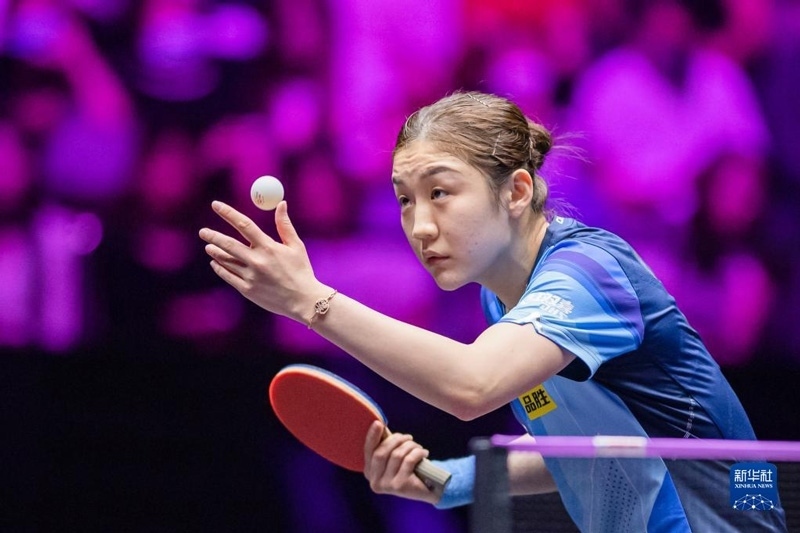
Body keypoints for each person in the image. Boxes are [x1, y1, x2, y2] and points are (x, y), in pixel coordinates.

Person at [198, 91, 787, 532]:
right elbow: (582, 446)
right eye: (405, 199)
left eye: (440, 193)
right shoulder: (501, 298)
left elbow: (471, 386)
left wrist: (309, 301)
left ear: (517, 192)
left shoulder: (589, 275)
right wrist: (448, 481)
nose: (419, 226)